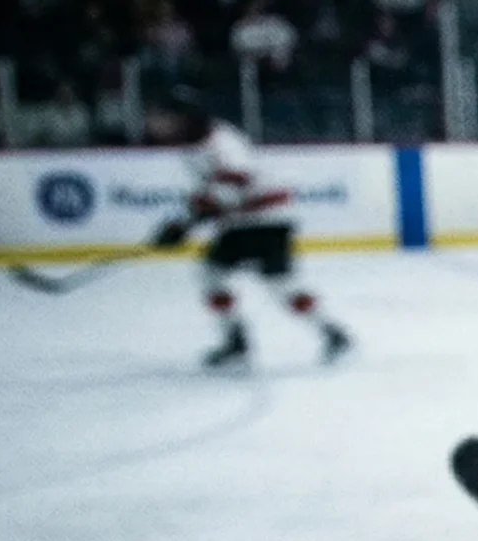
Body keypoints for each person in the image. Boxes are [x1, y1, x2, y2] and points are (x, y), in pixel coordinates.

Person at [148, 88, 352, 368]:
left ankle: (330, 333)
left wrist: (187, 223)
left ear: (183, 117)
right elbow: (212, 191)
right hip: (242, 222)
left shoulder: (223, 141)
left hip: (266, 219)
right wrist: (185, 221)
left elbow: (234, 185)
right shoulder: (193, 144)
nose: (157, 122)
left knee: (277, 284)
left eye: (163, 116)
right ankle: (242, 340)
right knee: (217, 275)